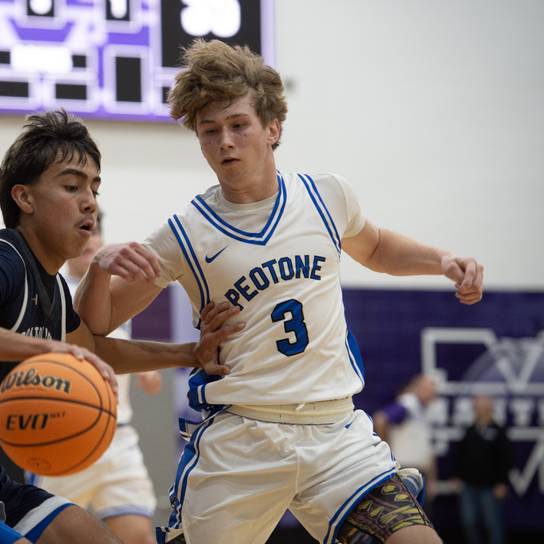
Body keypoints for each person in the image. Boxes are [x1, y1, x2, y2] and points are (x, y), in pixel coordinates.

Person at [74, 40, 485, 544]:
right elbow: (95, 324)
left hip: (335, 432)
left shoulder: (325, 195)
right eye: (210, 131)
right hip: (240, 439)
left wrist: (441, 260)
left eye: (238, 125)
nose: (225, 141)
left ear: (272, 129)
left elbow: (376, 248)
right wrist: (98, 271)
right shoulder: (184, 233)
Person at [0, 110, 233, 544]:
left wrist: (189, 354)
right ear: (25, 198)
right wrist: (46, 351)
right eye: (72, 186)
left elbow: (94, 351)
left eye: (94, 187)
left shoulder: (52, 288)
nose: (89, 200)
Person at [29, 211, 160, 544]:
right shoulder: (50, 290)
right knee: (47, 536)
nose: (89, 240)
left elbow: (116, 349)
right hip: (65, 434)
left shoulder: (113, 292)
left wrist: (145, 367)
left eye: (95, 232)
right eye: (81, 234)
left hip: (117, 436)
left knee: (138, 535)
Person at [454, 395, 513, 544]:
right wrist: (458, 477)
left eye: (484, 406)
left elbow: (506, 459)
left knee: (492, 523)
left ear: (491, 409)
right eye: (478, 406)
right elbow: (461, 456)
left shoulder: (499, 431)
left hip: (490, 486)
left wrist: (502, 482)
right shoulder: (470, 431)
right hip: (468, 485)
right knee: (469, 522)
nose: (481, 410)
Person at [374, 375, 439, 503]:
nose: (432, 394)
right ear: (417, 388)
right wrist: (385, 451)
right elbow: (380, 419)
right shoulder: (408, 405)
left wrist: (432, 479)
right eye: (428, 389)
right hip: (406, 472)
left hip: (420, 472)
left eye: (433, 391)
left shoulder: (425, 409)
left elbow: (427, 449)